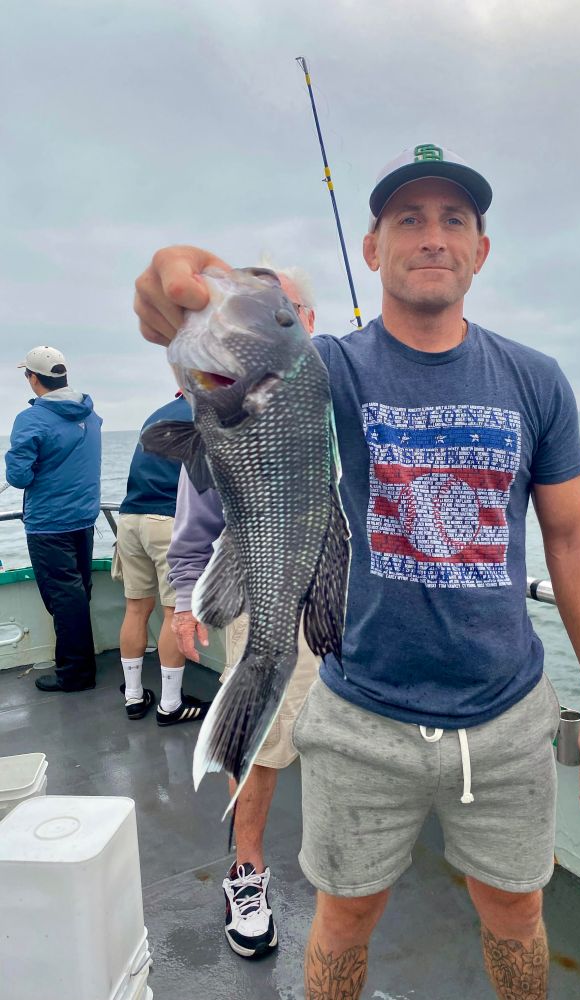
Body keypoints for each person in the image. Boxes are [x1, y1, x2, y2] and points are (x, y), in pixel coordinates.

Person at [134, 144, 580, 1000]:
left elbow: (574, 539)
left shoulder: (536, 379)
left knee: (516, 913)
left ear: (481, 249)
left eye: (454, 220)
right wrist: (182, 291)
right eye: (408, 219)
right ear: (372, 248)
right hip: (359, 712)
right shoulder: (326, 370)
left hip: (508, 715)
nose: (432, 236)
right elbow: (231, 362)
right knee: (344, 916)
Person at [167, 265, 319, 959]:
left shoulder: (349, 385)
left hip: (357, 598)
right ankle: (247, 872)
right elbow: (197, 509)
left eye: (282, 308)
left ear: (308, 321)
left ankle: (349, 870)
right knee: (260, 742)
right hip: (263, 592)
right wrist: (182, 595)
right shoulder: (233, 395)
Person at [4, 346, 102, 693]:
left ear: (33, 378)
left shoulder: (31, 419)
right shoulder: (90, 414)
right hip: (84, 518)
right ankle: (79, 665)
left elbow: (18, 476)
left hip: (49, 524)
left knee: (63, 597)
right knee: (77, 593)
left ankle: (76, 674)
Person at [115, 392, 213, 724]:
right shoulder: (208, 415)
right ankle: (170, 705)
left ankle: (133, 696)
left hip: (130, 520)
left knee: (135, 607)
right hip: (167, 522)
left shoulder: (156, 414)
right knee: (174, 612)